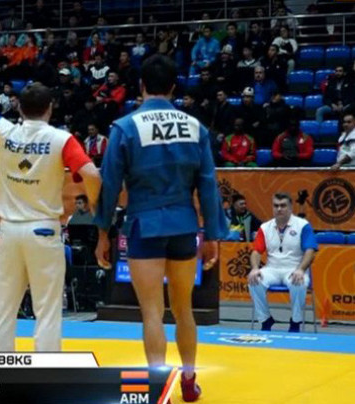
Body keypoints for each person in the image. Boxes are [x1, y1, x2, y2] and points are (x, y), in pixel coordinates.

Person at [0, 48, 102, 352]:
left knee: (2, 309)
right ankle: (45, 373)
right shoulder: (60, 139)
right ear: (50, 108)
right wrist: (94, 204)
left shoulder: (3, 132)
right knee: (47, 311)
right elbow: (91, 173)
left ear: (18, 107)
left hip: (9, 231)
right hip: (43, 230)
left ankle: (0, 370)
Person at [93, 55, 227, 403]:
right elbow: (208, 184)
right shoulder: (195, 127)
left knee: (152, 312)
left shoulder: (125, 127)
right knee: (183, 309)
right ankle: (189, 382)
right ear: (173, 87)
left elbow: (110, 183)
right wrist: (213, 234)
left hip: (144, 225)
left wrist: (102, 231)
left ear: (141, 87)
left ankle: (157, 389)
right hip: (184, 227)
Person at [248, 193, 317, 332]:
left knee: (299, 282)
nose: (279, 209)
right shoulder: (265, 227)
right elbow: (256, 251)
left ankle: (295, 322)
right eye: (276, 206)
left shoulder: (303, 225)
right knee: (254, 280)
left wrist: (301, 270)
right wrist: (255, 268)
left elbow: (310, 251)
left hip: (294, 268)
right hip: (272, 269)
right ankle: (265, 319)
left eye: (283, 205)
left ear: (290, 207)